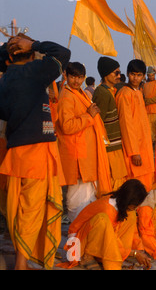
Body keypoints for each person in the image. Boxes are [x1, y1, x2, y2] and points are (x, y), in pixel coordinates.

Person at [0, 34, 70, 270]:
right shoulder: (33, 73)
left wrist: (10, 49)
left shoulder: (5, 80)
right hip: (37, 154)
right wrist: (34, 44)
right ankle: (21, 265)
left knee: (19, 210)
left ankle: (23, 260)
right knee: (30, 212)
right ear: (27, 54)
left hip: (16, 154)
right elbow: (63, 54)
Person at [56, 62, 112, 222]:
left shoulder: (80, 93)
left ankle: (85, 231)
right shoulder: (66, 96)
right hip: (76, 155)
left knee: (88, 196)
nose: (76, 81)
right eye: (73, 76)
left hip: (85, 153)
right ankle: (76, 231)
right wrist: (89, 116)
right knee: (76, 199)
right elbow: (67, 126)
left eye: (80, 77)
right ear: (66, 76)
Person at [59, 179, 152, 270]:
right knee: (102, 220)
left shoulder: (119, 203)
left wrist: (139, 251)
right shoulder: (107, 210)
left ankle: (110, 257)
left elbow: (125, 234)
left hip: (95, 242)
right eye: (135, 205)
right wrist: (134, 253)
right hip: (77, 247)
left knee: (131, 215)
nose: (137, 207)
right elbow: (111, 238)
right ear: (128, 201)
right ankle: (88, 257)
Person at [116, 59, 155, 191]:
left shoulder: (138, 92)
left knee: (145, 184)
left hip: (143, 145)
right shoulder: (124, 94)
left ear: (143, 76)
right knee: (135, 185)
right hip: (134, 148)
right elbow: (126, 124)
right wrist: (134, 152)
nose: (135, 78)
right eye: (133, 74)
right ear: (127, 74)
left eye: (139, 75)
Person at [92, 57, 128, 191]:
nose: (119, 76)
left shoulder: (110, 91)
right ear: (106, 74)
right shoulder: (102, 92)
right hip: (109, 147)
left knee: (119, 181)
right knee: (113, 183)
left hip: (115, 145)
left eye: (119, 73)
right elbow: (98, 121)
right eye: (116, 73)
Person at [142, 66, 156, 143]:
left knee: (155, 129)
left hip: (155, 110)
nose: (151, 77)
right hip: (147, 111)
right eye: (150, 75)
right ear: (147, 76)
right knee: (149, 131)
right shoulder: (144, 85)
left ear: (154, 75)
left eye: (152, 75)